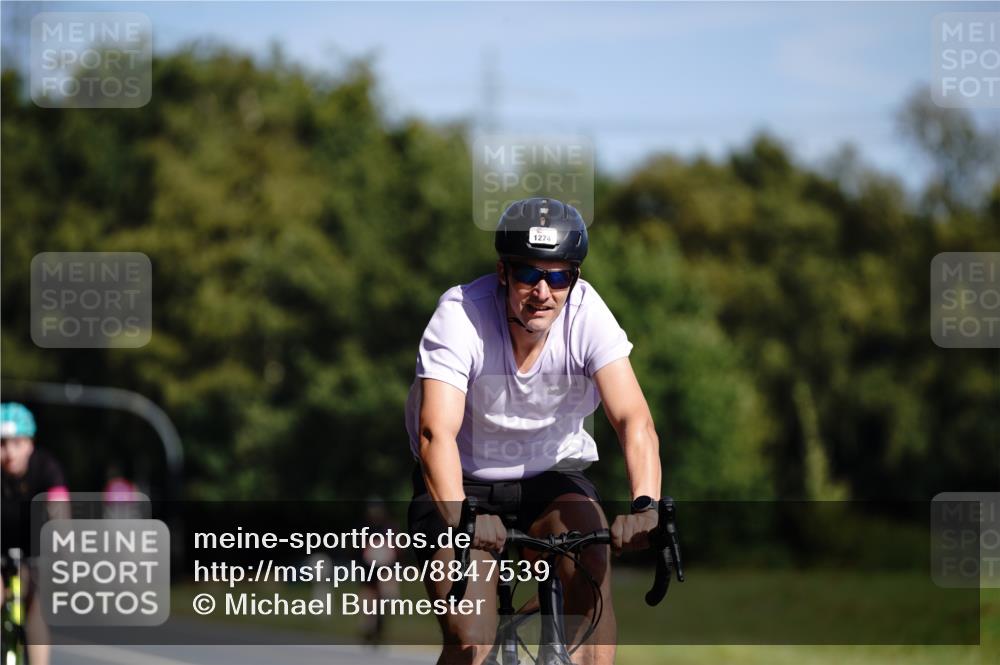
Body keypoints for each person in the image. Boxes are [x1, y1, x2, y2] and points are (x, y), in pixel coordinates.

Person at [406, 197, 663, 665]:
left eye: (560, 275)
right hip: (462, 482)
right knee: (471, 638)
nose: (544, 291)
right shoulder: (460, 314)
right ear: (503, 273)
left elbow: (633, 419)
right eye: (529, 274)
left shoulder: (588, 315)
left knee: (593, 578)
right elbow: (434, 435)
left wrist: (645, 506)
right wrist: (462, 516)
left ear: (574, 279)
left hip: (551, 476)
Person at [1, 402, 68, 665]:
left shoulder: (46, 466)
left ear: (29, 443)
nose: (9, 453)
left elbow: (59, 506)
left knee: (35, 612)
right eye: (2, 444)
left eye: (16, 443)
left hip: (35, 548)